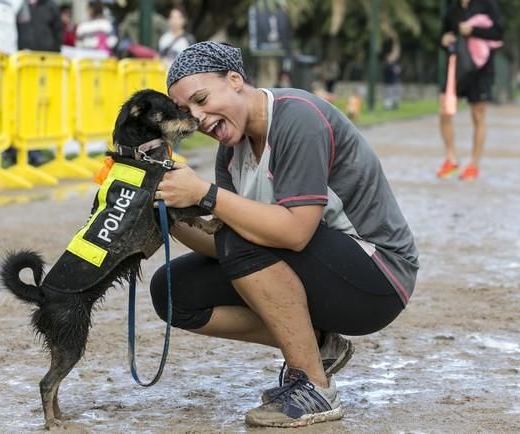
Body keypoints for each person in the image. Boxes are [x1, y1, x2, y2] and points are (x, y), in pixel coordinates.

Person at [149, 41, 419, 427]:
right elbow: (223, 246)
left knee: (243, 233)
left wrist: (205, 195)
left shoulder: (298, 117)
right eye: (188, 112)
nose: (199, 118)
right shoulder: (231, 149)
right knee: (172, 290)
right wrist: (167, 211)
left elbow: (293, 233)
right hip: (321, 268)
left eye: (202, 99)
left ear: (235, 79)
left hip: (379, 277)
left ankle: (313, 386)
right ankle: (320, 345)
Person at [437, 0, 503, 180]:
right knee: (445, 110)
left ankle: (474, 165)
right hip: (457, 68)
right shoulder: (453, 8)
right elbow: (443, 36)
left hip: (482, 70)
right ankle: (451, 159)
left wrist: (473, 30)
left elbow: (499, 33)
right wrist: (444, 40)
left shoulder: (487, 4)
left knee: (478, 115)